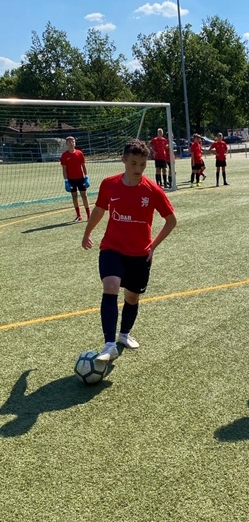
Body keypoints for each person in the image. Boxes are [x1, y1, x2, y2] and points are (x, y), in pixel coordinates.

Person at [81, 139, 177, 366]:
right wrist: (87, 233)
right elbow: (99, 210)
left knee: (132, 297)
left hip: (139, 254)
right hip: (112, 248)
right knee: (111, 285)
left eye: (142, 164)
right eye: (133, 163)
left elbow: (171, 220)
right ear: (123, 160)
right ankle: (109, 345)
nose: (138, 169)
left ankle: (124, 334)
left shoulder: (152, 190)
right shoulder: (109, 184)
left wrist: (153, 246)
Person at [60, 136, 91, 222]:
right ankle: (79, 215)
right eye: (69, 141)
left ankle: (89, 215)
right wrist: (66, 181)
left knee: (84, 195)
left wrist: (86, 177)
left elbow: (83, 166)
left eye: (73, 141)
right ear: (66, 144)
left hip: (80, 178)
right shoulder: (64, 155)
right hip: (71, 180)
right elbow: (64, 169)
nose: (71, 143)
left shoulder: (79, 153)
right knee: (74, 197)